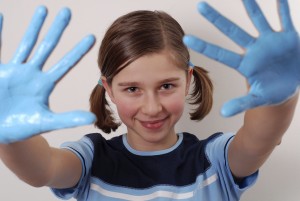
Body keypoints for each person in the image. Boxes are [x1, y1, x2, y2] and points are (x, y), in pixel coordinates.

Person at [0, 0, 299, 201]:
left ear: (188, 80)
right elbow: (42, 169)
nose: (152, 107)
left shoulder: (213, 159)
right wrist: (9, 136)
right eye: (132, 89)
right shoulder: (92, 158)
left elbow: (258, 140)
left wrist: (280, 100)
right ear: (108, 88)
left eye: (166, 85)